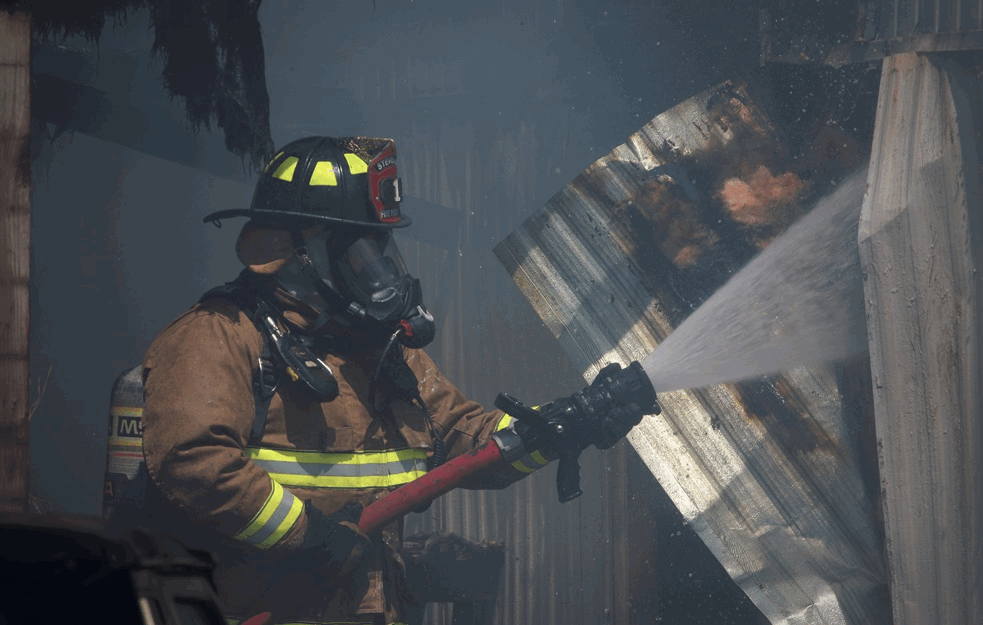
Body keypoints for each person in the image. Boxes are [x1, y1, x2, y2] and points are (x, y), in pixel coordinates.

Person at [139, 136, 654, 625]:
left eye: (380, 251)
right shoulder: (220, 336)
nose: (378, 271)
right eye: (356, 251)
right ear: (294, 251)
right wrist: (305, 534)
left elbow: (468, 440)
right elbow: (194, 460)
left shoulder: (381, 352)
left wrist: (565, 422)